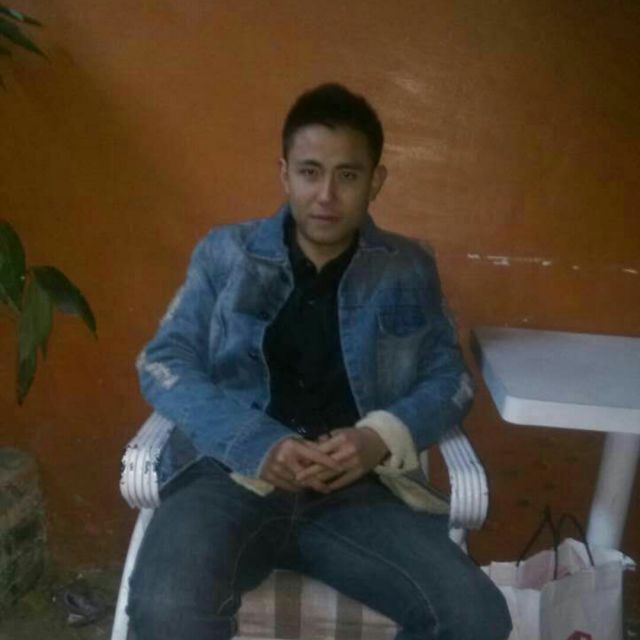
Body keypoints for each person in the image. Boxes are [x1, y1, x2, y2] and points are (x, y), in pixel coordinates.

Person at [128, 83, 512, 640]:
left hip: (358, 493)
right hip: (229, 478)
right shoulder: (226, 253)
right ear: (285, 174)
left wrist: (379, 436)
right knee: (166, 609)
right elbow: (164, 361)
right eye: (310, 172)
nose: (326, 195)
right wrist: (256, 442)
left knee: (475, 617)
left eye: (347, 175)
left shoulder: (406, 268)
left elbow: (449, 378)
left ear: (375, 181)